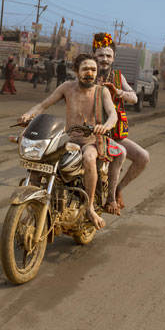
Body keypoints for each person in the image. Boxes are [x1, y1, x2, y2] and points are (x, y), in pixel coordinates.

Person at [18, 53, 126, 230]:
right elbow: (43, 105)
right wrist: (28, 114)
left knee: (89, 159)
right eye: (85, 69)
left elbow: (113, 114)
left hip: (92, 140)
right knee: (39, 160)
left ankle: (90, 207)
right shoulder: (67, 87)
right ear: (77, 71)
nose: (89, 73)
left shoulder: (102, 91)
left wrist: (105, 126)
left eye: (93, 69)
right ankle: (33, 211)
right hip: (67, 139)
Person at [93, 32, 150, 210]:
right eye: (101, 55)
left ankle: (117, 189)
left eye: (108, 55)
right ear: (94, 55)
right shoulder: (87, 73)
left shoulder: (118, 77)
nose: (104, 59)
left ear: (114, 57)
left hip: (114, 134)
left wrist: (118, 92)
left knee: (143, 157)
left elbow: (133, 97)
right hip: (90, 133)